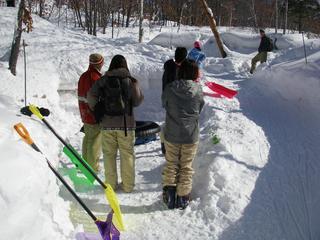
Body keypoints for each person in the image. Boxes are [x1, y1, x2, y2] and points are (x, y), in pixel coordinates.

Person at [88, 55, 144, 192]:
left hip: (107, 124)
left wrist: (97, 108)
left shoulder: (103, 80)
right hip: (126, 125)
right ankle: (128, 186)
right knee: (127, 155)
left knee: (108, 155)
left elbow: (90, 95)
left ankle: (111, 185)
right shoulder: (131, 81)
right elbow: (137, 101)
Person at [162, 60, 205, 209]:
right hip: (190, 135)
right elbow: (200, 107)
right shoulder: (198, 90)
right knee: (186, 166)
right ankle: (183, 197)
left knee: (171, 163)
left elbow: (164, 104)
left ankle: (170, 193)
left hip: (172, 132)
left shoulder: (169, 88)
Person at [78, 53, 104, 172]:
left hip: (84, 113)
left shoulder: (83, 76)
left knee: (88, 138)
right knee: (95, 142)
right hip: (94, 115)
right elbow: (99, 99)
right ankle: (93, 168)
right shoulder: (96, 78)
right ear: (99, 63)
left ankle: (85, 164)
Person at [160, 47, 188, 155]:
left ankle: (164, 143)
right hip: (178, 103)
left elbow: (164, 86)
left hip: (168, 101)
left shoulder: (168, 67)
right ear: (185, 57)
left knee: (168, 123)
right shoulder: (181, 69)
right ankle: (174, 146)